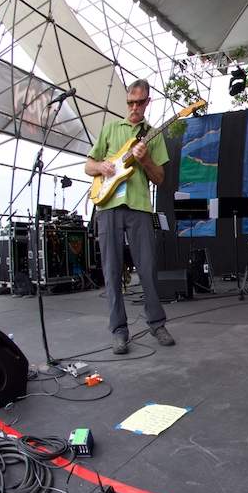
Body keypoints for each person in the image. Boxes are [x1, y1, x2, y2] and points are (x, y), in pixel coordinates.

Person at [84, 79, 175, 354]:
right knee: (111, 272)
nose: (134, 107)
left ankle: (157, 324)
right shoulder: (111, 129)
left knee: (147, 268)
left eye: (139, 102)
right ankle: (119, 332)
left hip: (138, 207)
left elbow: (159, 178)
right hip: (108, 206)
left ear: (148, 102)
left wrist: (145, 160)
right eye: (130, 102)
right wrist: (102, 166)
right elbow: (88, 165)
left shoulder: (152, 135)